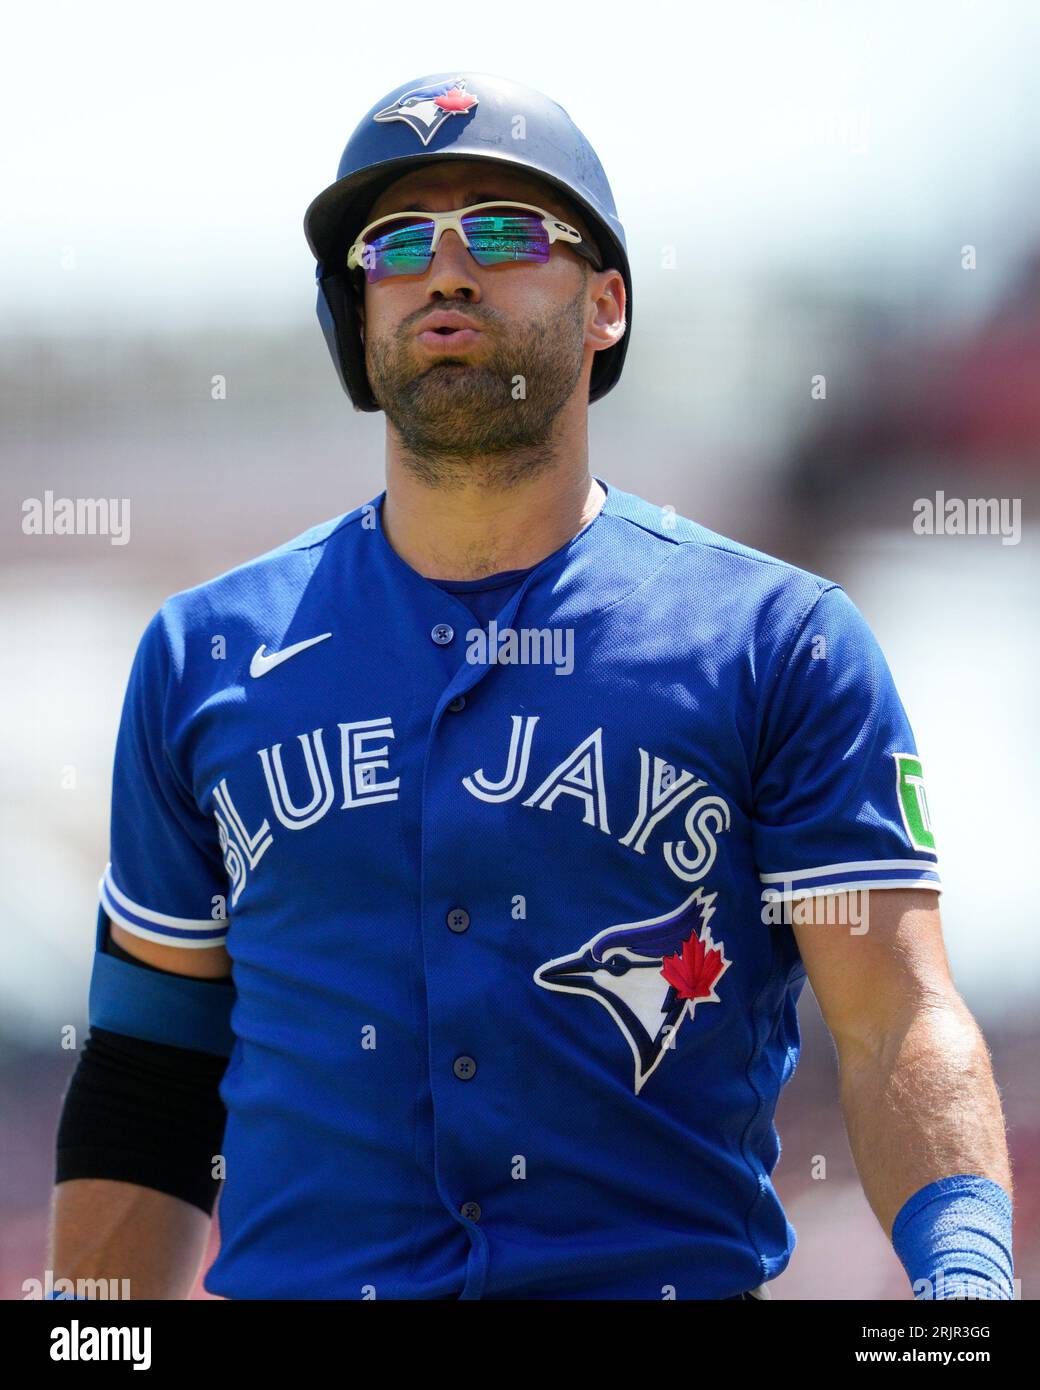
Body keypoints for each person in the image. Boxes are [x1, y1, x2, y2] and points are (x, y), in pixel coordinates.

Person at [49, 72, 1013, 1301]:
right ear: (357, 309)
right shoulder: (203, 653)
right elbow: (150, 1064)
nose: (444, 271)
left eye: (501, 233)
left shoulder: (779, 640)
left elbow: (893, 1018)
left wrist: (966, 1283)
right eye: (396, 244)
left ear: (604, 304)